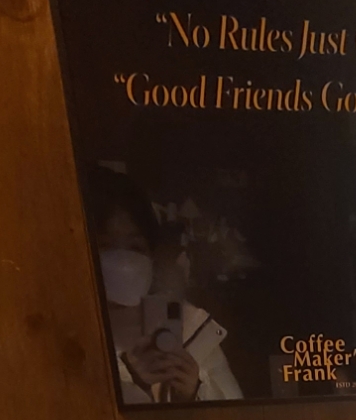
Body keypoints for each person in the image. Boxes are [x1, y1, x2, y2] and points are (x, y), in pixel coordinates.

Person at [88, 166, 242, 405]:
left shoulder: (189, 327)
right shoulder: (68, 335)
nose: (124, 263)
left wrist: (193, 391)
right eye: (106, 246)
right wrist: (131, 386)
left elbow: (236, 415)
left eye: (135, 248)